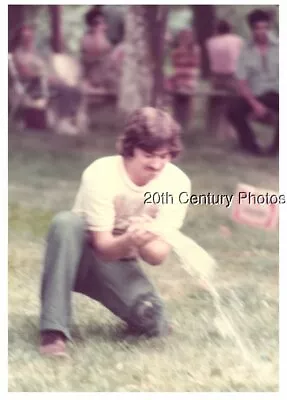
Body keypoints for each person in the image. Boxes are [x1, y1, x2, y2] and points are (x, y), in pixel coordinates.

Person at [39, 107, 191, 357]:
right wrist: (130, 237)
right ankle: (53, 332)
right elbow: (102, 246)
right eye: (149, 155)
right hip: (78, 256)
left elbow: (159, 255)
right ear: (131, 148)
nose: (156, 164)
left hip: (119, 264)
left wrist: (141, 241)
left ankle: (145, 314)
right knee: (65, 223)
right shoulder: (102, 173)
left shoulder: (177, 183)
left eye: (164, 156)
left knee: (153, 321)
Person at [227, 9, 279, 156]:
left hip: (279, 93)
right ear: (252, 29)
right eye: (258, 28)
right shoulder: (245, 51)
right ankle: (251, 147)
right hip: (257, 94)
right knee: (233, 110)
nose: (261, 32)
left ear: (269, 27)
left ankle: (276, 149)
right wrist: (255, 104)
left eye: (265, 28)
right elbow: (241, 82)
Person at [169, 29, 201, 130]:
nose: (185, 39)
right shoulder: (176, 51)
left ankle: (186, 124)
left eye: (188, 37)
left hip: (189, 80)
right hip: (178, 79)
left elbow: (195, 64)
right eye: (183, 37)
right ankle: (176, 123)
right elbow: (175, 65)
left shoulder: (195, 50)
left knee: (187, 98)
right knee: (177, 96)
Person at [206, 20, 244, 92]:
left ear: (217, 30)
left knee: (218, 99)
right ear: (230, 29)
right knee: (234, 98)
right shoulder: (238, 40)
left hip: (216, 75)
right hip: (233, 75)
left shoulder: (210, 42)